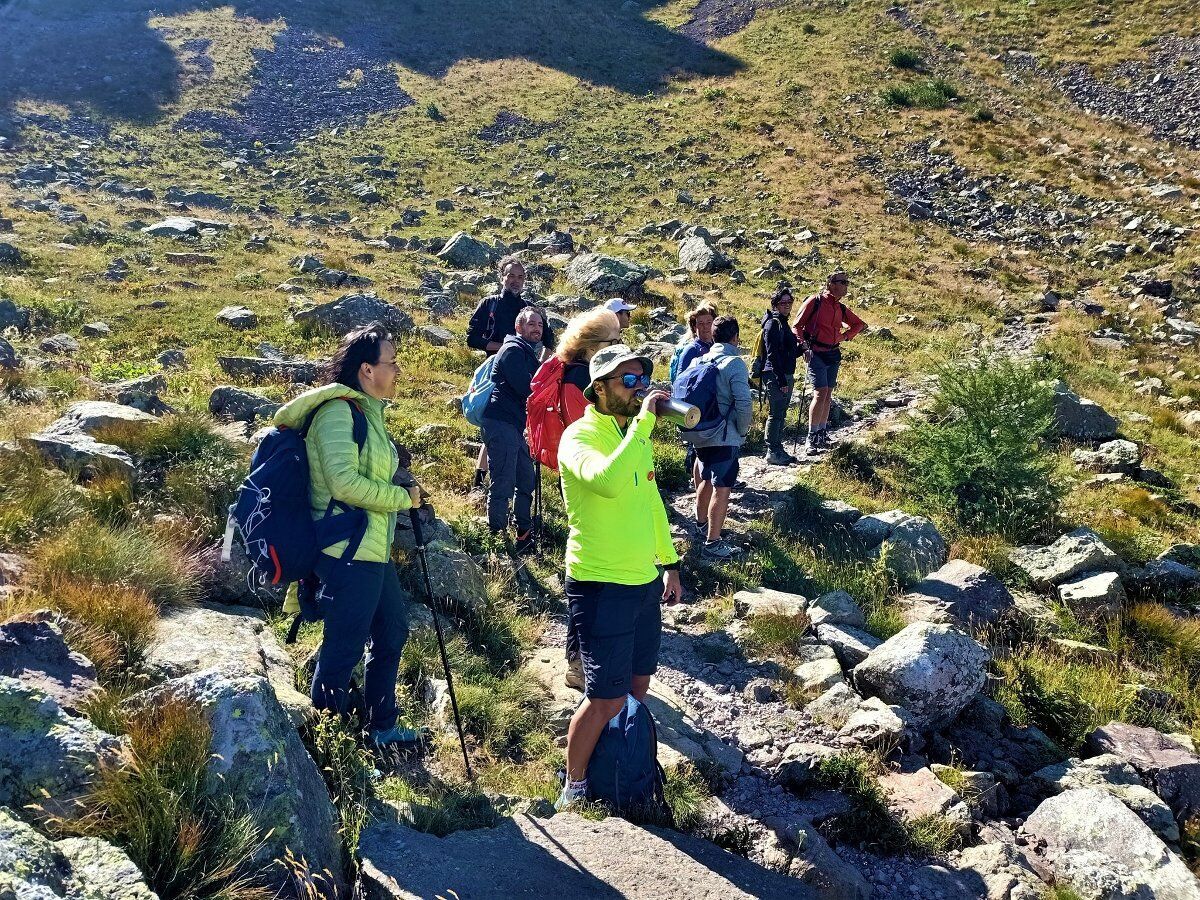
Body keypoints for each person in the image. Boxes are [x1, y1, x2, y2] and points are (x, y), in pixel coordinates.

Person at [273, 323, 423, 747]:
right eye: (390, 363)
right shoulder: (338, 413)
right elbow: (343, 484)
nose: (397, 371)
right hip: (345, 551)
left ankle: (382, 727)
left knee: (392, 631)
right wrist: (401, 498)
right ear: (366, 370)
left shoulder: (368, 414)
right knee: (343, 648)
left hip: (370, 549)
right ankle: (328, 747)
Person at [556, 344, 682, 808]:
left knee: (637, 686)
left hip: (643, 581)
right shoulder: (579, 437)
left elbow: (650, 502)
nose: (638, 390)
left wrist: (668, 564)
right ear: (600, 388)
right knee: (605, 698)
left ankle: (621, 767)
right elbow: (607, 482)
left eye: (641, 381)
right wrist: (645, 423)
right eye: (628, 381)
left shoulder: (634, 435)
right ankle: (574, 786)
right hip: (600, 583)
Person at [551, 308, 622, 691]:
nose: (619, 346)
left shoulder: (572, 374)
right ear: (593, 347)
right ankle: (579, 664)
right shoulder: (585, 383)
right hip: (589, 481)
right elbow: (591, 436)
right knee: (587, 580)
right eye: (613, 341)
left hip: (583, 479)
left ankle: (581, 660)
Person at [465, 256, 555, 491]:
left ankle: (515, 481)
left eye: (520, 276)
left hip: (524, 375)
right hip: (494, 375)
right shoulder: (489, 304)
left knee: (517, 425)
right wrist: (505, 349)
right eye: (511, 276)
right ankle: (481, 478)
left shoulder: (529, 311)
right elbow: (472, 338)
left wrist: (539, 368)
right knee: (494, 424)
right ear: (501, 277)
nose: (515, 281)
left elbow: (550, 340)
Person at [687, 316, 753, 561]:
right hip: (724, 434)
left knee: (704, 477)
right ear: (735, 337)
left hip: (700, 431)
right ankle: (713, 542)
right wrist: (743, 431)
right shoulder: (735, 363)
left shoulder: (698, 359)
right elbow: (744, 404)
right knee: (722, 487)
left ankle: (701, 524)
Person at [481, 307, 543, 554]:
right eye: (531, 324)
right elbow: (527, 389)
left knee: (526, 479)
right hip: (501, 422)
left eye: (539, 324)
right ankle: (496, 538)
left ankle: (523, 535)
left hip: (516, 426)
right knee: (504, 481)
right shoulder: (513, 350)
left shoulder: (527, 352)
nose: (536, 328)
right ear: (519, 327)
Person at [792, 270, 866, 453]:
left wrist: (845, 337)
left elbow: (859, 324)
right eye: (843, 282)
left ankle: (821, 433)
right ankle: (812, 436)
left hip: (833, 353)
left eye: (847, 282)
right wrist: (803, 346)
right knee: (820, 392)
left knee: (827, 393)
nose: (846, 286)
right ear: (832, 284)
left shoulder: (839, 307)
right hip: (815, 352)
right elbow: (796, 326)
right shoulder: (815, 301)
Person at [759, 288, 801, 466]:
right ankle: (772, 451)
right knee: (776, 414)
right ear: (775, 304)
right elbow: (772, 354)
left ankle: (777, 449)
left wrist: (803, 349)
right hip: (776, 375)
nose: (787, 306)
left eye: (789, 302)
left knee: (781, 413)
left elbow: (787, 353)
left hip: (784, 373)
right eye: (783, 303)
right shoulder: (772, 324)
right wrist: (781, 380)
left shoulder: (782, 323)